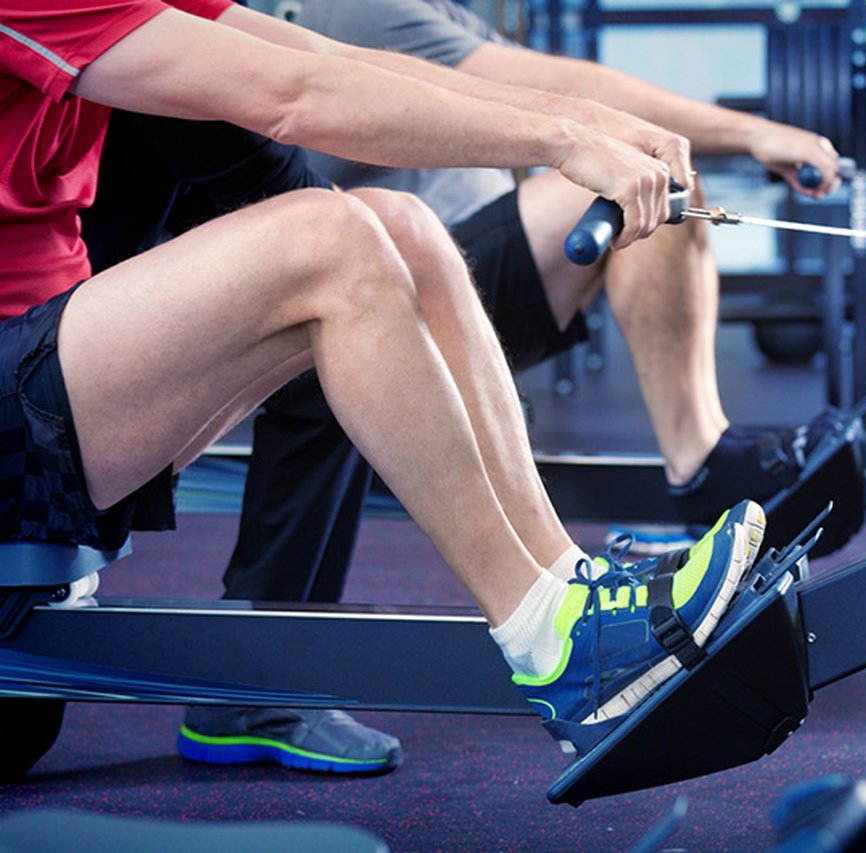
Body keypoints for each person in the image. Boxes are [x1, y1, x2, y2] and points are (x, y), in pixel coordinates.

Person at [1, 0, 819, 773]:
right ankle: (556, 646)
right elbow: (294, 94)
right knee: (334, 241)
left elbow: (325, 57)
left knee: (401, 226)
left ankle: (567, 590)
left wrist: (590, 125)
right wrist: (565, 138)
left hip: (46, 375)